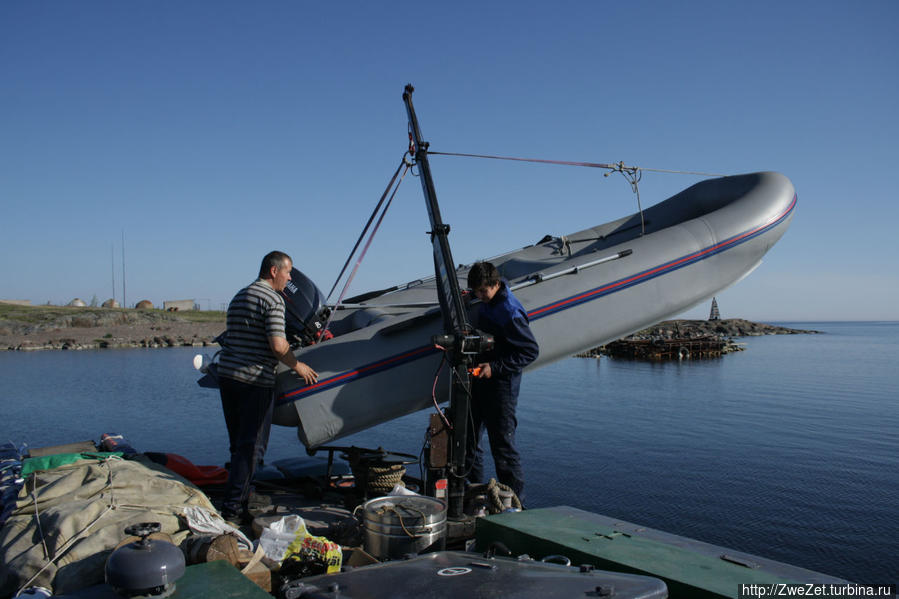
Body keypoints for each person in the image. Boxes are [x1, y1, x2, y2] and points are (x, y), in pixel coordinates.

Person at [217, 250, 318, 523]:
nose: (288, 279)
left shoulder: (240, 295)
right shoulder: (273, 299)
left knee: (237, 445)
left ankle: (244, 496)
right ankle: (232, 511)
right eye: (287, 273)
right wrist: (299, 366)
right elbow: (277, 345)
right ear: (274, 271)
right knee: (252, 448)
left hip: (228, 378)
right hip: (254, 382)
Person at [465, 261, 539, 504]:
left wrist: (494, 368)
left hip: (501, 387)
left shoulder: (509, 311)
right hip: (481, 381)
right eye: (476, 292)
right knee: (469, 440)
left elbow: (529, 351)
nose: (480, 296)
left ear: (496, 285)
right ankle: (474, 496)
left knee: (503, 449)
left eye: (483, 291)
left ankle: (515, 506)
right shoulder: (489, 299)